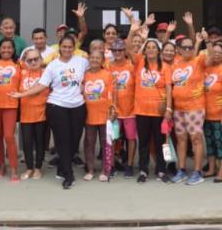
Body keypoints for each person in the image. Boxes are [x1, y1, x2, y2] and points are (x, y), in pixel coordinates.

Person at [14, 33, 88, 189]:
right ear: (59, 48)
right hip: (57, 106)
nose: (67, 49)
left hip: (77, 107)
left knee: (74, 141)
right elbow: (41, 85)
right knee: (63, 140)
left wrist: (84, 86)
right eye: (64, 46)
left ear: (74, 48)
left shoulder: (82, 61)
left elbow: (92, 74)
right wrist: (22, 94)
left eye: (70, 46)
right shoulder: (53, 65)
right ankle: (68, 175)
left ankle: (62, 166)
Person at [130, 15, 172, 183]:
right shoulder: (139, 62)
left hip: (159, 111)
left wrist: (169, 109)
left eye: (154, 47)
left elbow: (169, 87)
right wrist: (135, 31)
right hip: (141, 110)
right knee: (144, 142)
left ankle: (161, 170)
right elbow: (128, 49)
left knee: (161, 142)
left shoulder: (165, 66)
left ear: (158, 50)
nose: (152, 50)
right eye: (149, 47)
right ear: (145, 51)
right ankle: (143, 170)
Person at [169, 12, 208, 186]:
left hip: (195, 107)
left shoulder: (198, 60)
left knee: (196, 139)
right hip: (178, 108)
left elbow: (196, 41)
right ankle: (182, 169)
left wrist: (192, 27)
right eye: (183, 47)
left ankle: (198, 171)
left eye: (190, 47)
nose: (187, 49)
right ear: (178, 49)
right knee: (181, 139)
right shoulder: (175, 63)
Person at [82, 50, 116, 182]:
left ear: (102, 60)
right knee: (89, 143)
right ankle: (90, 169)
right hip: (89, 114)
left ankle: (105, 170)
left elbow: (113, 94)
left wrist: (112, 112)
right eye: (92, 57)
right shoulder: (85, 75)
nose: (95, 60)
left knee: (106, 143)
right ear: (89, 59)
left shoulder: (108, 74)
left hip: (105, 115)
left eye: (98, 58)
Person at [0, 38, 20, 182]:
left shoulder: (19, 64)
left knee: (9, 136)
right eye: (3, 47)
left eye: (9, 47)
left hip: (11, 105)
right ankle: (2, 165)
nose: (6, 50)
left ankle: (14, 168)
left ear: (13, 50)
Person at [108, 35, 138, 177]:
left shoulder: (131, 65)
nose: (118, 52)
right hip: (114, 110)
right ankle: (112, 164)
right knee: (113, 138)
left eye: (120, 50)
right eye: (115, 50)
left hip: (130, 110)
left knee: (131, 138)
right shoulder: (108, 66)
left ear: (124, 51)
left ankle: (130, 165)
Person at [201, 41, 222, 183]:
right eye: (214, 52)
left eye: (220, 53)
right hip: (205, 114)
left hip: (219, 114)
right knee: (209, 142)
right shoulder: (205, 68)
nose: (216, 55)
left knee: (220, 143)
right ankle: (211, 168)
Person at [18, 47, 49, 180]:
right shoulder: (22, 73)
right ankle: (29, 168)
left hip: (42, 114)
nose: (33, 62)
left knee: (40, 143)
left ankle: (38, 168)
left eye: (36, 59)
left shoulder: (47, 73)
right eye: (29, 60)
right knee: (27, 143)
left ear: (41, 59)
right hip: (25, 114)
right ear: (25, 61)